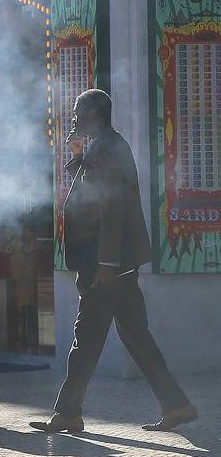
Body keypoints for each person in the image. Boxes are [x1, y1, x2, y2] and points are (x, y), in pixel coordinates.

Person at [31, 89, 197, 434]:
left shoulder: (108, 149)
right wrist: (77, 157)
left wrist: (105, 265)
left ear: (92, 113)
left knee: (86, 339)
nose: (73, 118)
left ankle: (68, 413)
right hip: (117, 263)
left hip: (106, 264)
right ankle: (176, 404)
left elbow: (111, 210)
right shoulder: (102, 146)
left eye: (77, 112)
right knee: (136, 335)